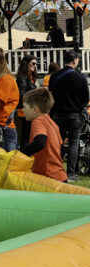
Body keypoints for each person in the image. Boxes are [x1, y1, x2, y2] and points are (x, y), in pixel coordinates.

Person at [48, 50, 89, 181]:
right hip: (75, 114)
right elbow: (85, 98)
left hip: (58, 113)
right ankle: (71, 173)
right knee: (73, 143)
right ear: (75, 61)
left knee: (57, 143)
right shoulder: (80, 77)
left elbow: (50, 94)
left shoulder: (54, 76)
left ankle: (56, 171)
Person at [21, 88, 68, 183]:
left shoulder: (38, 121)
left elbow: (40, 142)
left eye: (24, 107)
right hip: (60, 176)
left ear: (35, 109)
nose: (22, 110)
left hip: (47, 178)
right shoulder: (53, 123)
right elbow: (62, 150)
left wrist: (22, 152)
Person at [15, 55, 38, 146]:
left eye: (36, 64)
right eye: (33, 63)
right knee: (26, 136)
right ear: (26, 63)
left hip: (28, 109)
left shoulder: (29, 76)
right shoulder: (22, 77)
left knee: (27, 136)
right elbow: (22, 94)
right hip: (25, 110)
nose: (35, 66)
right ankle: (25, 157)